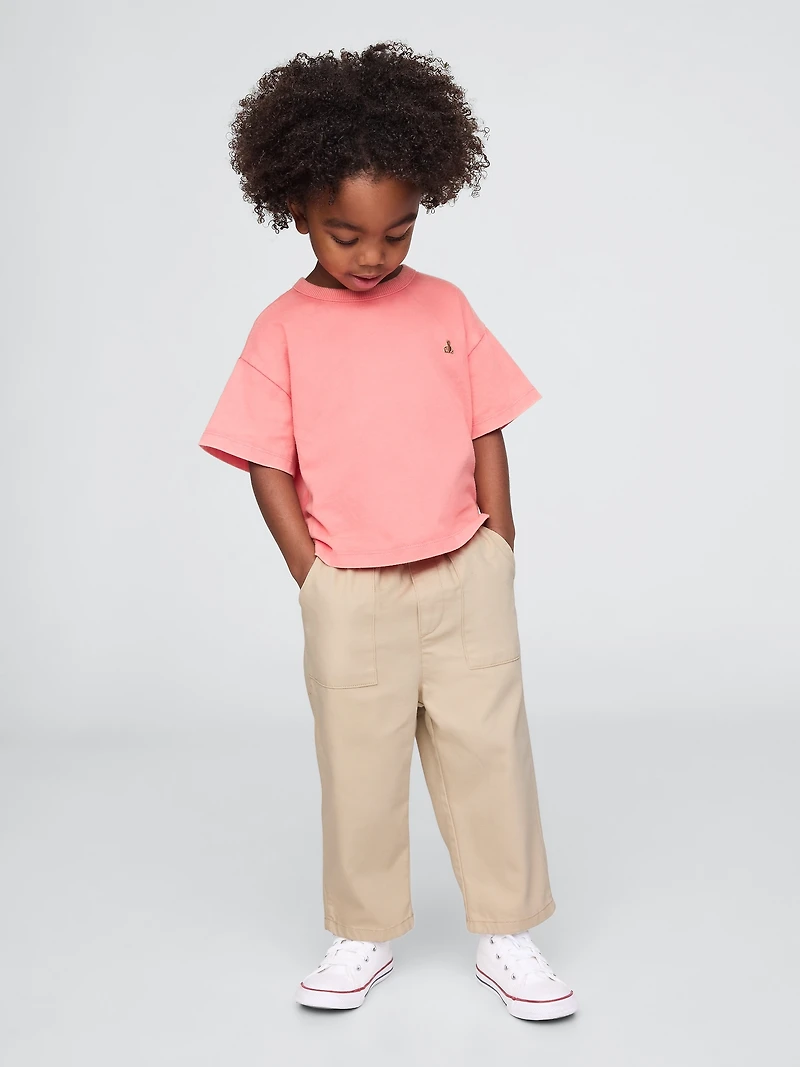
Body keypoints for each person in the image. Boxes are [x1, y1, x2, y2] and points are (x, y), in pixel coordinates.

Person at [198, 41, 577, 1022]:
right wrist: (312, 574)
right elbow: (264, 459)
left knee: (490, 754)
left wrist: (499, 542)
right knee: (358, 767)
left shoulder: (444, 305)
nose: (373, 256)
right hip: (351, 590)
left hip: (462, 575)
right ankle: (362, 931)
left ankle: (506, 928)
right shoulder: (280, 329)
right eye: (346, 235)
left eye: (396, 234)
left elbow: (485, 424)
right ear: (295, 210)